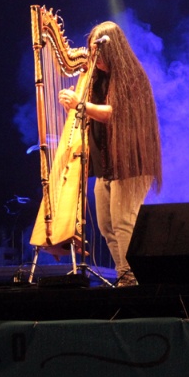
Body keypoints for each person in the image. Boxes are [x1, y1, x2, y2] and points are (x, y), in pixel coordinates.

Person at [57, 21, 162, 287]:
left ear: (114, 51)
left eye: (100, 53)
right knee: (106, 226)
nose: (96, 59)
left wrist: (80, 104)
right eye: (94, 53)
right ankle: (126, 275)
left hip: (130, 163)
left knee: (124, 223)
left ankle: (130, 280)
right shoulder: (96, 79)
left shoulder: (133, 77)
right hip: (106, 164)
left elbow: (117, 113)